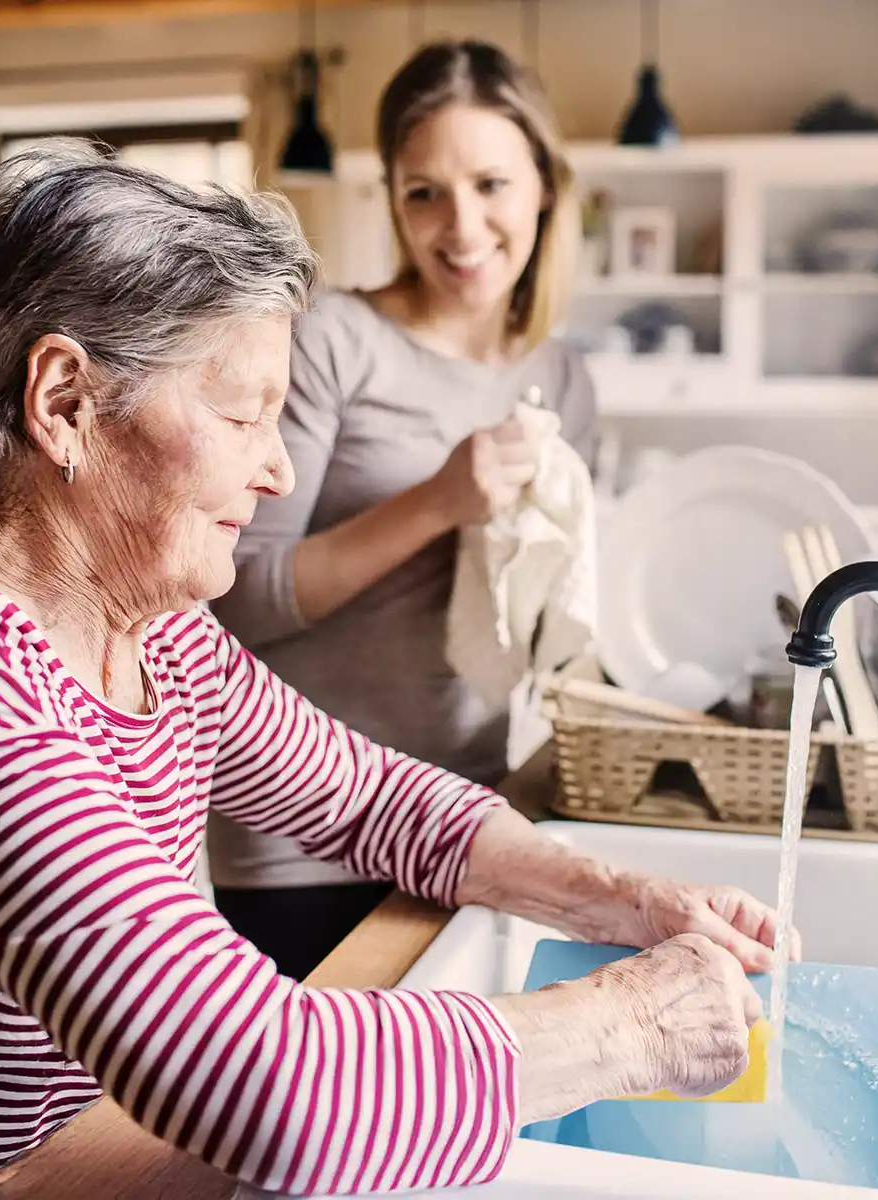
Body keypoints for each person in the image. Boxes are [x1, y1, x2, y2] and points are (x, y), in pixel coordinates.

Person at [0, 140, 797, 1200]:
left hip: (88, 1149)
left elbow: (371, 801)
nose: (276, 470)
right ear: (67, 401)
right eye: (241, 415)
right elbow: (272, 1087)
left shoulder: (155, 632)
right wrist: (634, 1024)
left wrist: (625, 900)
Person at [209, 39, 598, 977]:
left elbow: (551, 599)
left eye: (492, 184)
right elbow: (237, 599)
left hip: (471, 811)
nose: (460, 227)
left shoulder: (561, 376)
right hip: (302, 836)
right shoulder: (332, 340)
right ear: (392, 199)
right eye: (423, 191)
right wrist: (438, 502)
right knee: (314, 1120)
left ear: (544, 187)